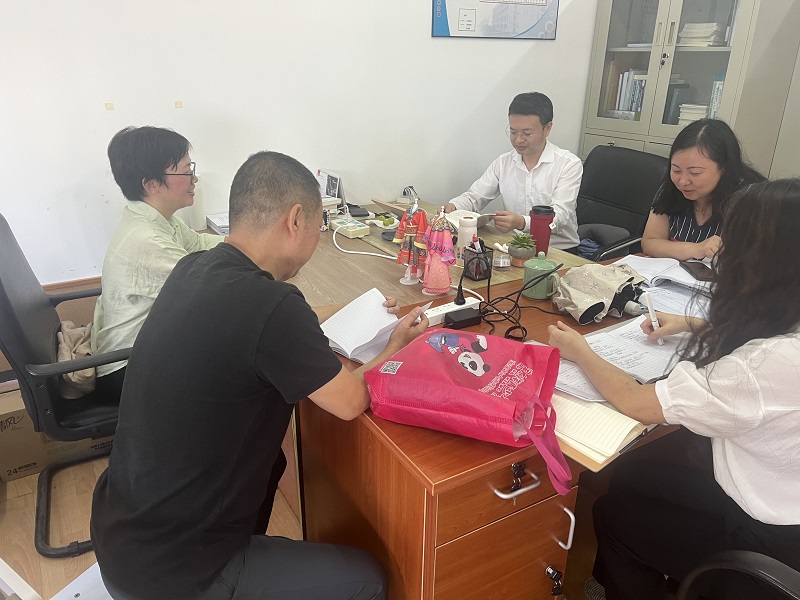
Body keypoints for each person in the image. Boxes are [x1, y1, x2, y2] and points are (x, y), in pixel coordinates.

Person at [90, 150, 429, 600]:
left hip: (123, 536)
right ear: (295, 219)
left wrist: (343, 318)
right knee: (369, 578)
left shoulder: (194, 269)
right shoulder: (272, 305)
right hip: (175, 573)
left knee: (275, 463)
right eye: (319, 225)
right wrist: (394, 347)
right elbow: (350, 401)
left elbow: (265, 331)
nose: (318, 237)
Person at [548, 178, 800, 600]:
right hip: (780, 497)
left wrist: (581, 352)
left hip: (771, 542)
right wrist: (691, 323)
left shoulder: (758, 369)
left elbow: (638, 402)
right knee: (632, 475)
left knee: (613, 515)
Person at [92, 126, 224, 400]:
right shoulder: (147, 239)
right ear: (151, 184)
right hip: (127, 369)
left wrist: (248, 241)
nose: (194, 179)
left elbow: (200, 245)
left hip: (148, 350)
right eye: (186, 171)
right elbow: (209, 291)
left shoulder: (155, 218)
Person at [445, 91, 582, 249]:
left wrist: (522, 222)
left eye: (527, 133)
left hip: (559, 250)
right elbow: (475, 197)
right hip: (515, 246)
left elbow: (560, 216)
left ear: (548, 128)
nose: (518, 139)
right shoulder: (504, 162)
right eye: (513, 132)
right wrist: (454, 206)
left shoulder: (568, 164)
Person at [641, 118, 765, 260]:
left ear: (724, 169)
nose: (683, 181)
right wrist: (695, 249)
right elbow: (650, 242)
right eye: (676, 170)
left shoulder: (752, 199)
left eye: (695, 173)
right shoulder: (672, 188)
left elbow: (760, 260)